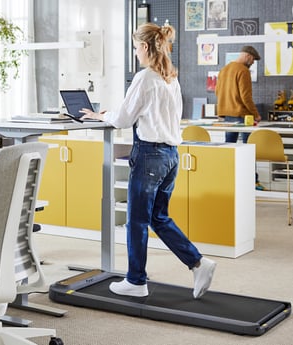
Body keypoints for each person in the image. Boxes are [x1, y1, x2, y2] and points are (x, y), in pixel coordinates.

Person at [80, 23, 216, 299]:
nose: (135, 53)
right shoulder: (170, 78)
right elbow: (150, 113)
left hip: (150, 155)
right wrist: (115, 112)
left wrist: (100, 116)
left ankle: (136, 280)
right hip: (170, 156)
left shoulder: (144, 78)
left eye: (135, 48)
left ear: (144, 47)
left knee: (137, 221)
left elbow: (123, 119)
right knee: (158, 217)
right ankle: (199, 263)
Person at [215, 45, 265, 190]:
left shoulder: (224, 70)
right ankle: (252, 182)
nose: (253, 63)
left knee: (229, 147)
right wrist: (256, 114)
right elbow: (246, 97)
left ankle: (228, 179)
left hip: (227, 116)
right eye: (253, 60)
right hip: (243, 116)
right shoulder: (243, 71)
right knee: (248, 147)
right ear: (248, 56)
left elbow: (218, 92)